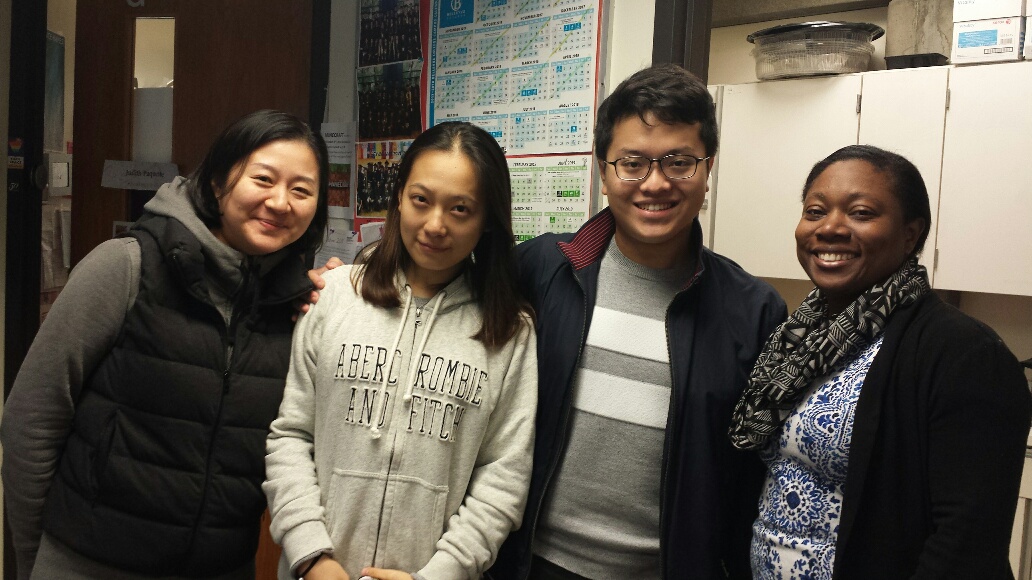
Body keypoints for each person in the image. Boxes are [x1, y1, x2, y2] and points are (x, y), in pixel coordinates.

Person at [0, 109, 329, 579]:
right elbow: (30, 420)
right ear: (218, 182)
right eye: (263, 179)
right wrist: (35, 559)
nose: (280, 202)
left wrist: (338, 303)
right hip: (89, 563)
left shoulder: (299, 309)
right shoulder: (125, 266)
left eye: (301, 190)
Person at [489, 63, 787, 579]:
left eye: (679, 162)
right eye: (633, 163)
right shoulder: (541, 270)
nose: (655, 183)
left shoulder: (752, 311)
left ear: (708, 167)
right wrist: (346, 283)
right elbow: (441, 298)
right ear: (603, 170)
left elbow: (751, 478)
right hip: (528, 564)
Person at [730, 144, 1032, 579]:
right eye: (815, 211)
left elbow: (966, 543)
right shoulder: (795, 338)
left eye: (861, 213)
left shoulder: (963, 353)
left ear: (910, 235)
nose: (830, 227)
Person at [263, 121, 538, 580]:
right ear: (397, 199)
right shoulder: (332, 295)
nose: (435, 225)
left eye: (461, 209)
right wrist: (310, 555)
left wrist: (440, 575)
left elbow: (503, 479)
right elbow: (291, 436)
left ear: (487, 220)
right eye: (421, 200)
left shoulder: (508, 331)